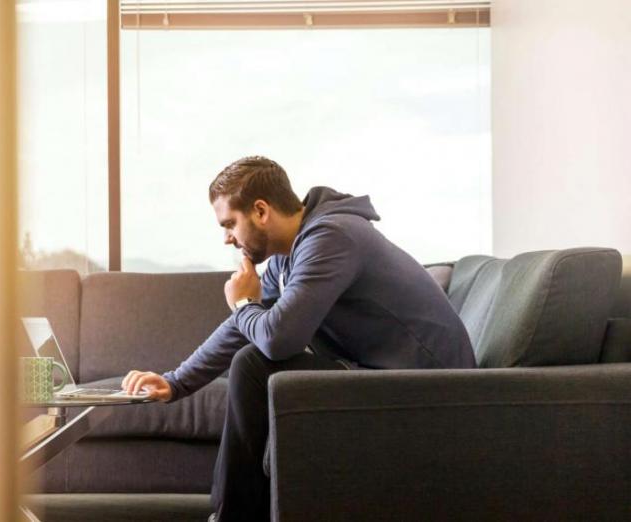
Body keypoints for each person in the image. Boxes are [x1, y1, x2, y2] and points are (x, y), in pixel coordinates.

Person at [122, 156, 476, 522]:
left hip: (432, 389)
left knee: (255, 364)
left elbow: (278, 340)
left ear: (260, 211)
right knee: (250, 359)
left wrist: (244, 303)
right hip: (380, 374)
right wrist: (175, 381)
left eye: (230, 224)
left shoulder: (332, 238)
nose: (227, 237)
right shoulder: (290, 256)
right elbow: (239, 330)